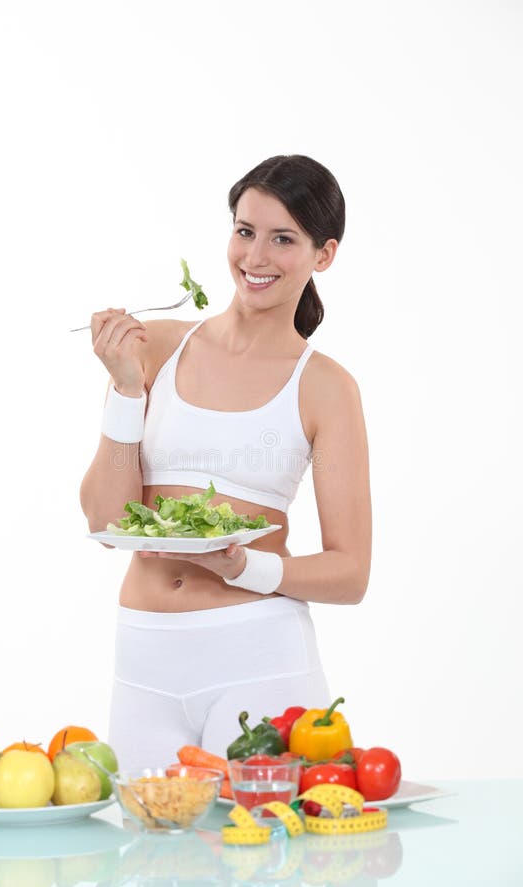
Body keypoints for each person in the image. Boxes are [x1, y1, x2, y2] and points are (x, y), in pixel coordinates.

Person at [80, 154, 371, 769]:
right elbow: (105, 522)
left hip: (259, 659)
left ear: (324, 255)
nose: (255, 257)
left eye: (283, 239)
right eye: (245, 231)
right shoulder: (155, 348)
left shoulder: (324, 387)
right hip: (144, 659)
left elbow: (351, 572)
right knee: (149, 852)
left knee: (260, 857)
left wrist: (244, 568)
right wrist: (126, 392)